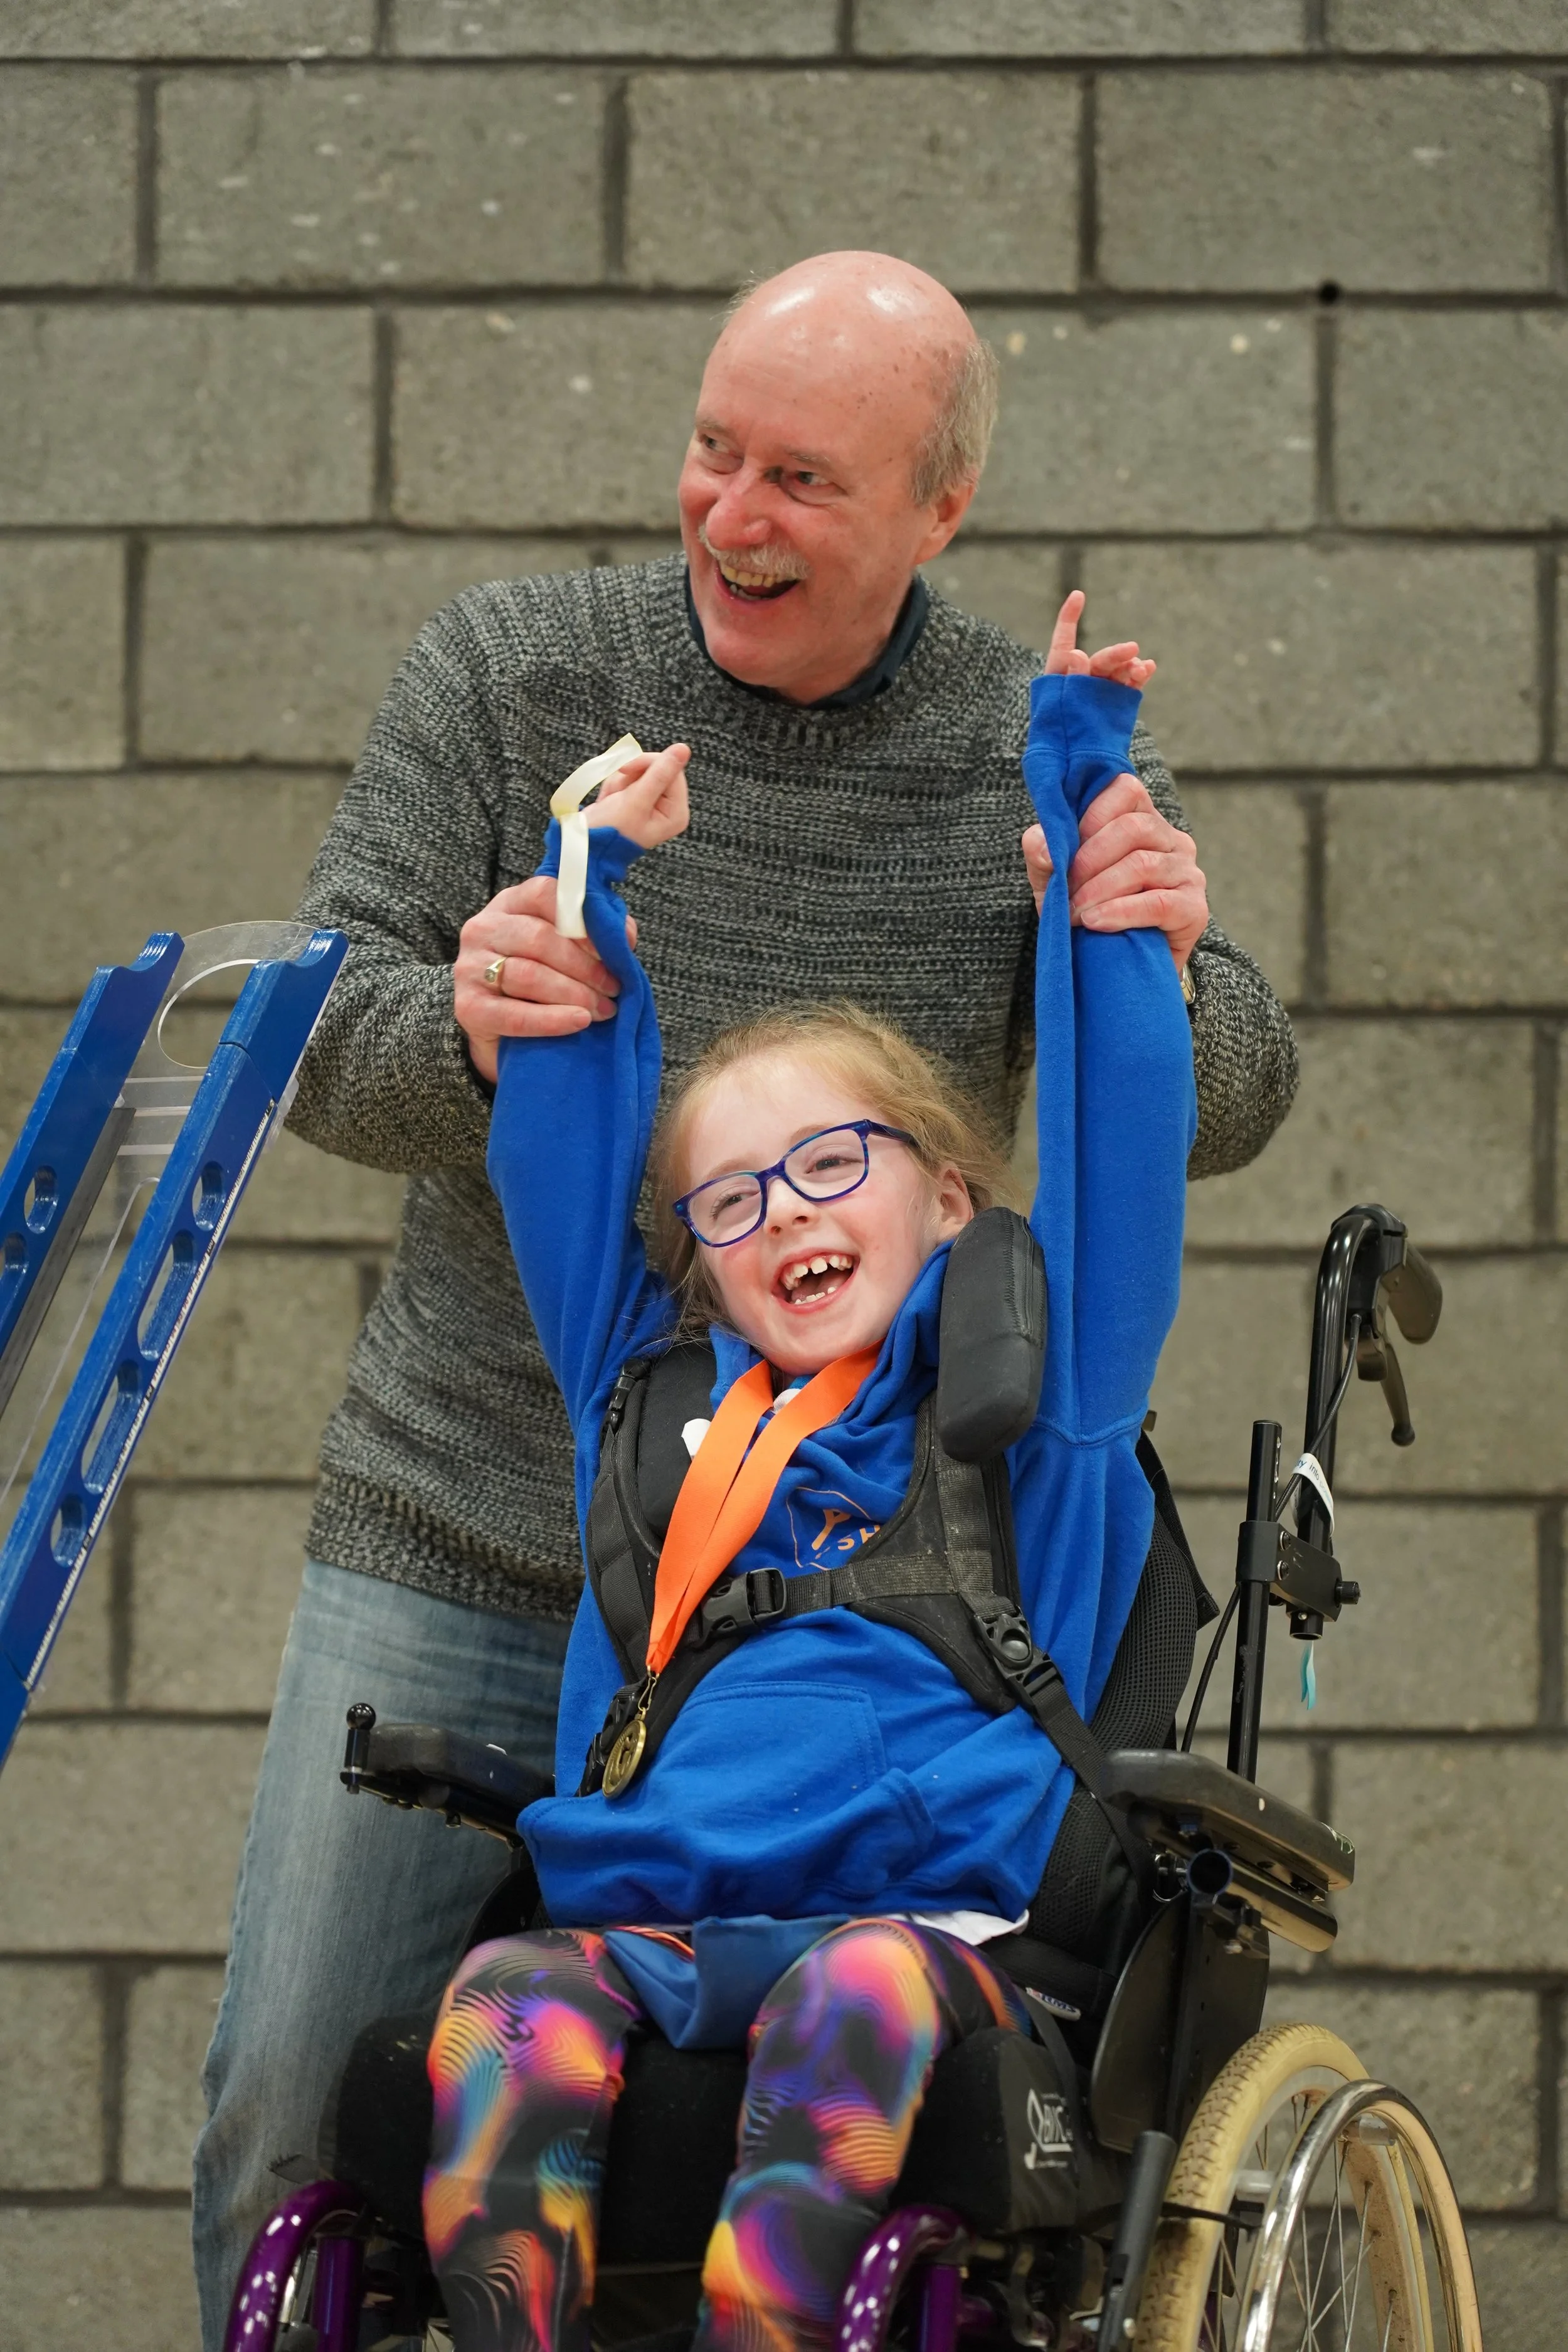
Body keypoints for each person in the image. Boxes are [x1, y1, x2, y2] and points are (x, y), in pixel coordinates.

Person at [193, 250, 1296, 2343]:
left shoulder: (998, 747)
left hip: (866, 1556)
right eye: (713, 449)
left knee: (787, 2098)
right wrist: (489, 1021)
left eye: (801, 476)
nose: (731, 512)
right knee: (297, 2112)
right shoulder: (515, 665)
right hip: (479, 1518)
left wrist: (1146, 930)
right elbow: (327, 1038)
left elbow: (1217, 1087)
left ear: (934, 510)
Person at [423, 633, 1189, 2352]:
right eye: (732, 1199)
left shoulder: (1033, 1408)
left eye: (832, 1162)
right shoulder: (661, 1416)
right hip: (657, 1916)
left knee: (848, 1995)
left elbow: (1123, 1145)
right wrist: (584, 885)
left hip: (917, 1929)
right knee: (501, 2003)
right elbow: (556, 1155)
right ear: (699, 1270)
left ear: (951, 1195)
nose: (782, 1211)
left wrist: (1077, 813)